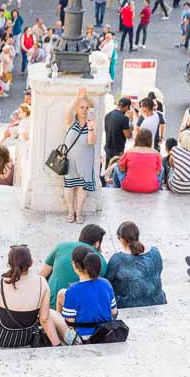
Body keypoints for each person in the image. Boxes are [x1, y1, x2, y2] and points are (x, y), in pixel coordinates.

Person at [0, 246, 60, 347]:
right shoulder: (42, 282)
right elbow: (44, 318)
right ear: (31, 263)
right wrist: (57, 345)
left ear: (9, 263)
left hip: (0, 337)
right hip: (26, 337)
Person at [57, 246, 118, 344]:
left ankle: (58, 343)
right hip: (105, 333)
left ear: (74, 265)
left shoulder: (72, 291)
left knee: (52, 314)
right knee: (62, 293)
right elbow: (114, 312)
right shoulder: (106, 283)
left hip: (83, 339)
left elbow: (70, 324)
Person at [40, 224, 107, 310]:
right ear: (97, 244)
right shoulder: (101, 261)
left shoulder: (61, 246)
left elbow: (42, 274)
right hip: (80, 309)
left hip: (51, 304)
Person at [106, 221, 166, 308]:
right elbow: (158, 272)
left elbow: (107, 283)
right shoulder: (155, 252)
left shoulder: (117, 259)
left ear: (121, 239)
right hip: (157, 301)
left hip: (128, 305)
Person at [63, 87, 97, 223]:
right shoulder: (71, 122)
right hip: (70, 161)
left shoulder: (92, 124)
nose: (84, 110)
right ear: (77, 109)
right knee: (69, 186)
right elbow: (68, 111)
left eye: (87, 107)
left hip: (85, 161)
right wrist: (77, 97)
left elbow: (91, 141)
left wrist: (91, 127)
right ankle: (71, 211)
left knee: (82, 188)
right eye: (81, 107)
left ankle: (79, 213)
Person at [114, 128, 162, 193]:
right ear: (150, 140)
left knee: (117, 165)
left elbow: (122, 169)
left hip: (129, 187)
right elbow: (157, 173)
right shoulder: (156, 153)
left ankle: (116, 188)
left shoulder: (129, 151)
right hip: (152, 188)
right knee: (162, 168)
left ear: (137, 138)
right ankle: (160, 186)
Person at [104, 98, 132, 167]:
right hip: (118, 150)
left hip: (107, 148)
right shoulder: (124, 118)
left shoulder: (107, 115)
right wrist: (130, 119)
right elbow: (128, 135)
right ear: (126, 107)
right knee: (116, 172)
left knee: (108, 171)